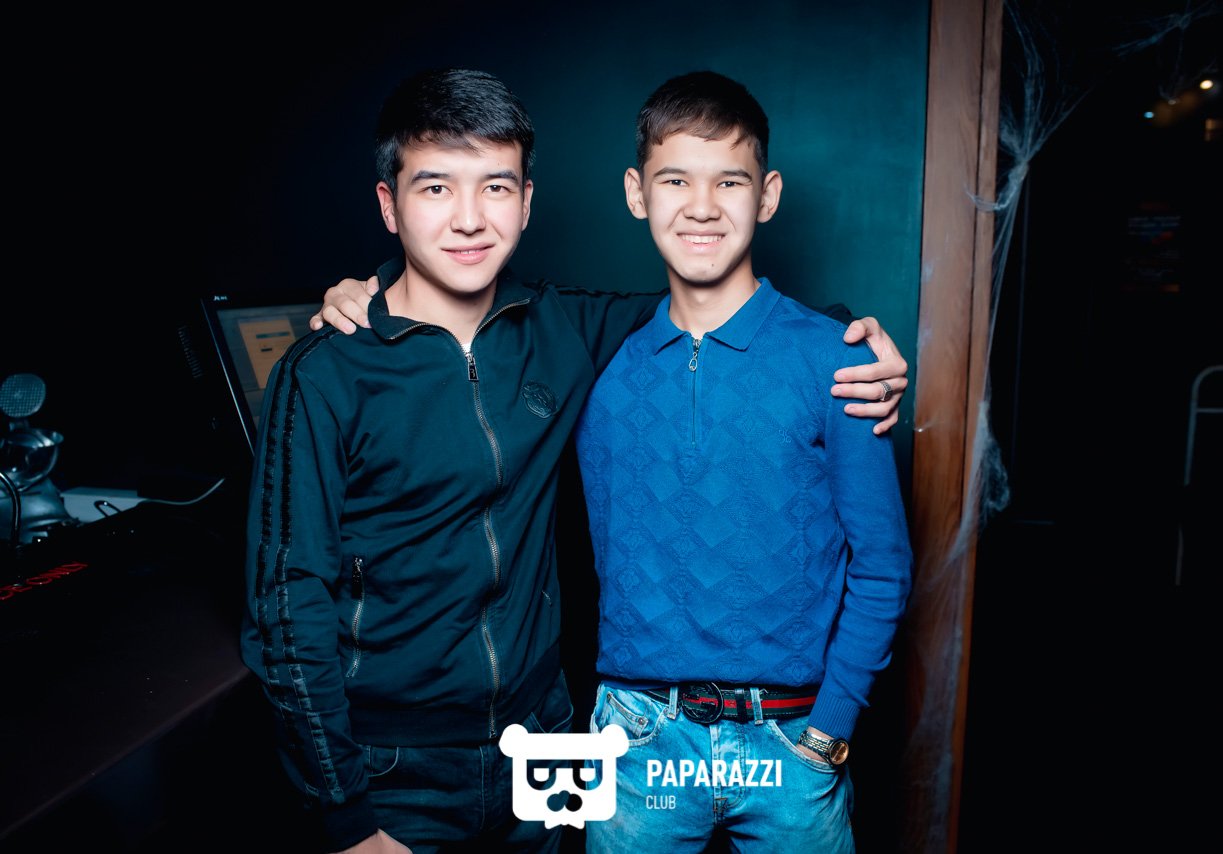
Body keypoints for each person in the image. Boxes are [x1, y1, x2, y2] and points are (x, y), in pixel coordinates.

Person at [245, 68, 907, 854]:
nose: (468, 217)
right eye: (435, 188)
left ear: (526, 201)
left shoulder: (567, 333)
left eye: (495, 187)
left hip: (548, 742)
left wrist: (848, 343)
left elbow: (729, 316)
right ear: (389, 206)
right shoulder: (327, 371)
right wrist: (344, 816)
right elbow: (286, 606)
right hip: (407, 764)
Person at [573, 71, 913, 851]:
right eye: (675, 180)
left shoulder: (841, 360)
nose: (702, 206)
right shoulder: (593, 358)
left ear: (768, 195)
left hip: (792, 740)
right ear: (636, 193)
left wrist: (829, 732)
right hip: (637, 742)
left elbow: (884, 565)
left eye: (729, 180)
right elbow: (462, 311)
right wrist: (362, 295)